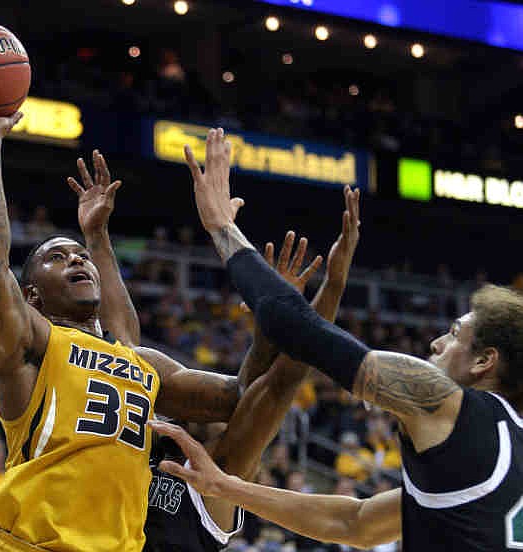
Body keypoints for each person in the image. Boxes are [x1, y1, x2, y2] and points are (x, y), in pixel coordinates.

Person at [150, 127, 523, 551]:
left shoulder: (443, 402)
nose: (438, 343)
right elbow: (354, 523)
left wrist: (221, 227)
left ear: (483, 361)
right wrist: (226, 487)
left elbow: (297, 330)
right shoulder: (491, 458)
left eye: (456, 334)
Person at [0, 108, 249, 552]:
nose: (76, 259)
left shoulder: (136, 364)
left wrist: (96, 234)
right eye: (56, 258)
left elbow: (239, 398)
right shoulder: (35, 346)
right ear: (31, 297)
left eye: (79, 255)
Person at [143, 187, 359, 551]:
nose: (216, 405)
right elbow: (124, 342)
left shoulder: (219, 477)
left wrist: (333, 286)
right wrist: (97, 236)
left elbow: (281, 381)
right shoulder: (149, 442)